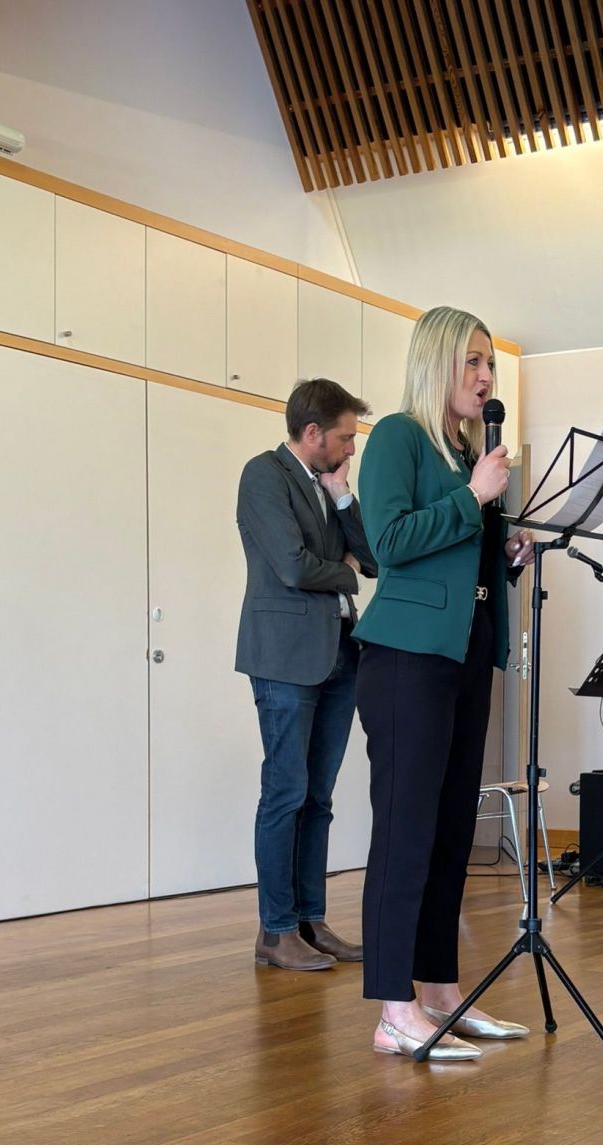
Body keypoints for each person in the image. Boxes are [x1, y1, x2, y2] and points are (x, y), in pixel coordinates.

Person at [353, 306, 535, 1060]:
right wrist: (475, 500)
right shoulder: (398, 437)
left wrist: (508, 553)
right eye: (472, 361)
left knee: (451, 830)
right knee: (405, 832)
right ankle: (393, 1009)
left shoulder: (470, 456)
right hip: (406, 657)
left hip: (464, 654)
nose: (486, 377)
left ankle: (438, 992)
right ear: (437, 364)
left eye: (490, 363)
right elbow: (389, 541)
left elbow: (463, 557)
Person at [236, 378, 377, 971]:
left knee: (318, 798)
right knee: (286, 793)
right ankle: (275, 932)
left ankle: (310, 922)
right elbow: (293, 568)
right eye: (345, 438)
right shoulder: (263, 475)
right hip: (285, 658)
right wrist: (342, 570)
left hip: (339, 653)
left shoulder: (328, 483)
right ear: (313, 432)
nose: (351, 449)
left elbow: (372, 559)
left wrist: (343, 498)